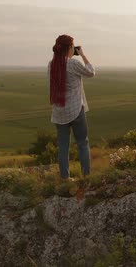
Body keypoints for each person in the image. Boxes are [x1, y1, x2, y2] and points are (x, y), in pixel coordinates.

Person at [47, 34, 95, 181]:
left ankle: (65, 178)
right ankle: (86, 176)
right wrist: (83, 55)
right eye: (73, 47)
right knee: (82, 143)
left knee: (63, 146)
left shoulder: (52, 64)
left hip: (59, 111)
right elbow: (91, 72)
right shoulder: (72, 63)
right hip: (75, 109)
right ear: (69, 48)